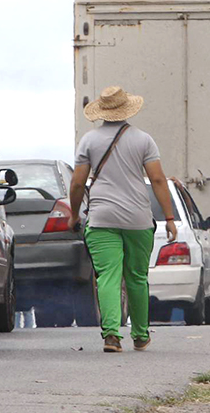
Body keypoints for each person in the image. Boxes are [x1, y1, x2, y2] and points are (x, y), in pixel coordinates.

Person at [68, 86, 178, 354]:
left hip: (102, 217)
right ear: (127, 108)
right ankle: (140, 335)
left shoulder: (89, 141)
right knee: (137, 277)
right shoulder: (144, 140)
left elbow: (78, 183)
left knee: (107, 276)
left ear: (102, 112)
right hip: (138, 219)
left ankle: (112, 336)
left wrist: (74, 213)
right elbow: (158, 180)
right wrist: (170, 218)